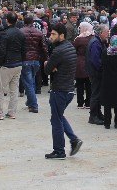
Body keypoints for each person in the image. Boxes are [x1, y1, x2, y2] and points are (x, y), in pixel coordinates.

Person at [44, 23, 82, 159]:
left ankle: (59, 150)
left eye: (53, 34)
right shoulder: (70, 47)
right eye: (51, 33)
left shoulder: (58, 51)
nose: (50, 36)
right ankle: (74, 140)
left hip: (59, 90)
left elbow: (47, 70)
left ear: (62, 35)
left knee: (56, 120)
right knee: (58, 117)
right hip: (69, 90)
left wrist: (47, 64)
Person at [0, 12, 25, 120]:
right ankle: (11, 112)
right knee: (14, 90)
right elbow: (24, 50)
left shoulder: (4, 33)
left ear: (7, 21)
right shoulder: (21, 33)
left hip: (6, 64)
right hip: (18, 64)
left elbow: (1, 50)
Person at [21, 15, 46, 113]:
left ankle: (33, 105)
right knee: (31, 81)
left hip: (25, 59)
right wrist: (45, 58)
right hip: (36, 59)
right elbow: (43, 47)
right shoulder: (39, 32)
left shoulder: (21, 31)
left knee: (28, 83)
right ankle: (30, 101)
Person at [86, 24, 108, 125]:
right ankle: (93, 116)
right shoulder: (95, 43)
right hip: (96, 72)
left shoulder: (97, 41)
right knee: (95, 94)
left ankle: (98, 113)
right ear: (101, 33)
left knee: (98, 93)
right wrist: (102, 69)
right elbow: (96, 60)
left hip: (95, 71)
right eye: (106, 32)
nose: (108, 34)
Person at [73, 22, 94, 110]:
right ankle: (88, 102)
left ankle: (80, 103)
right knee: (89, 84)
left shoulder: (78, 39)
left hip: (79, 63)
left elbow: (73, 49)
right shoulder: (93, 38)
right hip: (89, 63)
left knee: (79, 84)